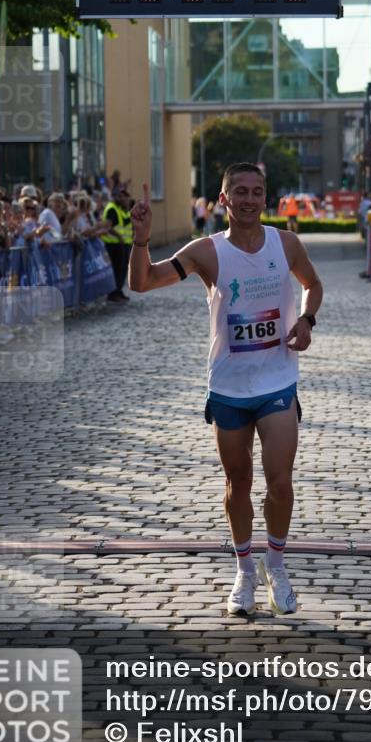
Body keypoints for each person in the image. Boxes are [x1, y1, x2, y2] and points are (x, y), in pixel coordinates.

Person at [129, 162, 323, 617]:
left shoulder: (286, 243)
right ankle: (244, 570)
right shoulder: (206, 252)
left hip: (277, 380)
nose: (250, 199)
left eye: (257, 191)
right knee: (238, 483)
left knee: (280, 483)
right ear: (223, 200)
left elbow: (313, 284)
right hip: (229, 387)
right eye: (240, 191)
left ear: (265, 197)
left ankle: (276, 566)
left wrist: (307, 320)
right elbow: (142, 282)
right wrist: (140, 239)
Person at [102, 189, 133, 303]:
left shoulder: (124, 210)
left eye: (126, 197)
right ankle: (113, 294)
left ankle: (118, 291)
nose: (124, 199)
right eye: (121, 197)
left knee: (122, 270)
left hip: (124, 244)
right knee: (116, 270)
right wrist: (119, 237)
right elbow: (108, 226)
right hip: (114, 244)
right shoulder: (112, 209)